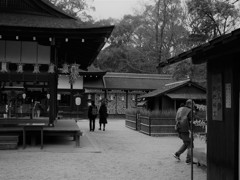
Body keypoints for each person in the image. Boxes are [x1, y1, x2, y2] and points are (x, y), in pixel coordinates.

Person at [173, 99, 195, 164]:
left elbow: (176, 118)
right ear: (190, 104)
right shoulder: (189, 111)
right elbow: (192, 120)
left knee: (186, 143)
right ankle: (189, 160)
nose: (194, 106)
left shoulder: (180, 109)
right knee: (190, 145)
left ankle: (177, 154)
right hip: (186, 130)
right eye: (193, 104)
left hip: (180, 128)